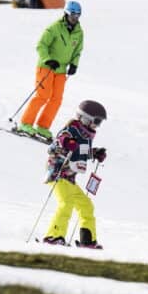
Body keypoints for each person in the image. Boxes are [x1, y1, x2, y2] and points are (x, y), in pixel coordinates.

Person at [42, 99, 109, 248]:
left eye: (99, 123)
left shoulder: (86, 136)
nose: (97, 126)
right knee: (66, 203)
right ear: (84, 118)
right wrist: (66, 142)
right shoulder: (71, 129)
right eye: (96, 121)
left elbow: (81, 152)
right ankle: (53, 237)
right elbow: (59, 140)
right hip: (58, 173)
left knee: (86, 206)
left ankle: (87, 240)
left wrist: (95, 153)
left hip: (69, 178)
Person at [17, 1, 84, 140]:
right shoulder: (54, 28)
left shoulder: (79, 32)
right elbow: (41, 45)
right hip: (47, 67)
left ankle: (43, 127)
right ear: (66, 14)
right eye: (73, 15)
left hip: (61, 71)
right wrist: (47, 59)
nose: (75, 19)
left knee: (56, 99)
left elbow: (78, 50)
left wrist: (74, 64)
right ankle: (25, 123)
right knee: (43, 95)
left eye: (78, 16)